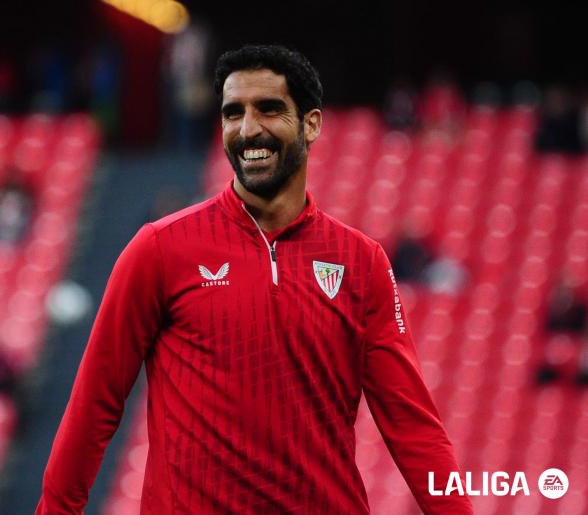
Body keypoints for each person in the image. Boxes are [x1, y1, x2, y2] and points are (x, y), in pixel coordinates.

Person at [36, 45, 473, 514]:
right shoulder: (160, 249)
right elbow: (93, 406)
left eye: (268, 109)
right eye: (232, 113)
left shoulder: (361, 262)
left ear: (311, 124)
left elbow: (413, 427)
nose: (247, 130)